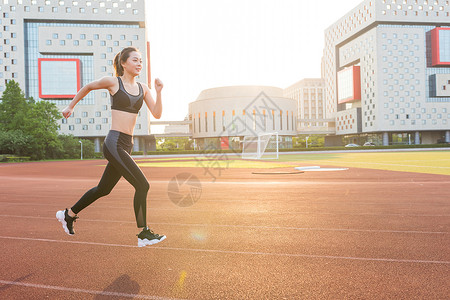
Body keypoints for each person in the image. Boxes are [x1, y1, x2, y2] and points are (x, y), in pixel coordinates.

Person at [56, 47, 166, 247]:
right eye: (135, 60)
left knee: (103, 189)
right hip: (114, 142)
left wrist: (158, 93)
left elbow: (157, 114)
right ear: (124, 63)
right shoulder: (114, 82)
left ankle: (68, 214)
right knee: (143, 185)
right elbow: (89, 86)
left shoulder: (144, 88)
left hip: (127, 144)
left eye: (141, 60)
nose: (139, 63)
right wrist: (71, 106)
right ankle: (144, 233)